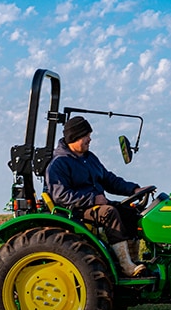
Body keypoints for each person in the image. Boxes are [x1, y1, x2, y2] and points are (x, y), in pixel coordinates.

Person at [45, 115, 151, 276]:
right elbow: (61, 195)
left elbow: (109, 180)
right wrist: (92, 199)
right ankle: (125, 265)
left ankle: (134, 260)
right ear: (74, 137)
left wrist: (134, 190)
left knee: (130, 212)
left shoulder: (89, 158)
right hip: (76, 211)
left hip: (97, 205)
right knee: (109, 213)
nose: (90, 139)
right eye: (86, 136)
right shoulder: (59, 164)